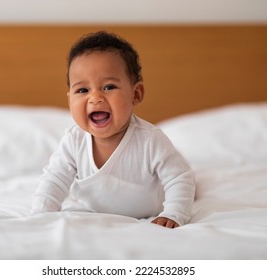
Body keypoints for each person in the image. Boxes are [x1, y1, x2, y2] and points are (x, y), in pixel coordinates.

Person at [31, 31, 195, 228]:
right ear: (69, 99)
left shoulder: (150, 140)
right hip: (93, 209)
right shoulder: (74, 141)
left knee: (188, 178)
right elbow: (54, 180)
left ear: (136, 94)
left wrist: (174, 213)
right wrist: (39, 215)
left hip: (151, 208)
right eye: (82, 90)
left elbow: (179, 178)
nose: (95, 98)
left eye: (108, 87)